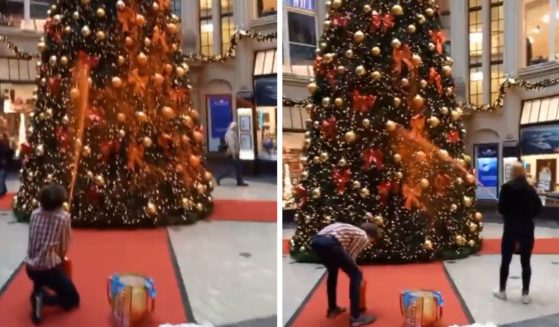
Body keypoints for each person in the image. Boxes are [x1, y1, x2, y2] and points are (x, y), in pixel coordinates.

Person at [25, 184, 79, 324]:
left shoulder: (34, 214)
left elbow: (32, 239)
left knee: (41, 277)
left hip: (30, 268)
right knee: (73, 300)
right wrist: (60, 260)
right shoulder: (63, 218)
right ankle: (43, 297)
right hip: (49, 270)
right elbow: (64, 245)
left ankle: (38, 291)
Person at [310, 222, 382, 326]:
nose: (369, 243)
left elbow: (344, 255)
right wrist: (357, 273)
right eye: (372, 241)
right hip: (331, 242)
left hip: (316, 242)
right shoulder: (363, 236)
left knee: (332, 271)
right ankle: (356, 317)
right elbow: (351, 256)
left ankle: (332, 308)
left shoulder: (351, 231)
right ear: (371, 235)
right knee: (356, 275)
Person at [494, 162, 542, 304]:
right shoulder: (530, 190)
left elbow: (501, 209)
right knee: (525, 262)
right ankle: (525, 294)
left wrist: (506, 212)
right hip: (526, 229)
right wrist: (528, 216)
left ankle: (502, 291)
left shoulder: (505, 189)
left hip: (510, 229)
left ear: (512, 173)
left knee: (505, 261)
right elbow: (539, 208)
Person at [216, 122, 248, 186]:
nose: (237, 128)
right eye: (236, 127)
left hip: (234, 153)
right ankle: (219, 177)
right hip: (233, 153)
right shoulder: (230, 133)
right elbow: (231, 144)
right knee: (234, 168)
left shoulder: (232, 133)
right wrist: (233, 154)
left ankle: (239, 181)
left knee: (237, 168)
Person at [0, 131, 12, 196]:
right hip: (4, 164)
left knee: (1, 177)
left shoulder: (3, 145)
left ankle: (2, 191)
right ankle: (4, 190)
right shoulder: (5, 145)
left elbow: (8, 153)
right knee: (2, 178)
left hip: (3, 164)